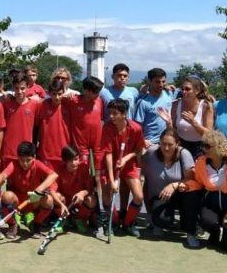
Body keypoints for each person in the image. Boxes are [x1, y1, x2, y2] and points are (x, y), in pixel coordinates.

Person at [0, 142, 58, 239]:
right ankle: (13, 224)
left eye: (28, 160)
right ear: (18, 157)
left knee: (48, 200)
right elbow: (2, 176)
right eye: (22, 160)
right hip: (17, 202)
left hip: (32, 201)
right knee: (6, 196)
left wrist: (39, 190)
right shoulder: (13, 164)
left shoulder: (38, 164)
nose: (25, 163)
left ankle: (36, 225)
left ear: (34, 157)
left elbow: (54, 175)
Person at [142, 129, 203, 247]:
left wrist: (174, 185)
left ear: (177, 144)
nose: (166, 148)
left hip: (182, 194)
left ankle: (190, 232)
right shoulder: (151, 153)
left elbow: (191, 181)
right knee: (161, 219)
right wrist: (149, 212)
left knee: (191, 196)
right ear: (159, 142)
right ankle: (162, 223)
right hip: (161, 196)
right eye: (163, 144)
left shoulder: (184, 154)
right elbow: (146, 182)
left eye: (170, 145)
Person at [100, 98, 146, 237]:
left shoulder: (136, 128)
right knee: (107, 191)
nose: (111, 116)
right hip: (110, 166)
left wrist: (126, 157)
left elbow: (138, 150)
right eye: (110, 113)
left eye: (115, 113)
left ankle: (128, 223)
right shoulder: (108, 127)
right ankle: (112, 221)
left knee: (138, 196)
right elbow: (107, 154)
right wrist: (113, 180)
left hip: (129, 165)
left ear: (124, 113)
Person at [185, 130, 227, 247]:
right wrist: (186, 185)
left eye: (207, 146)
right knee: (208, 222)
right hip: (210, 200)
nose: (204, 149)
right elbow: (198, 183)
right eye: (203, 146)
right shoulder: (201, 162)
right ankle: (215, 231)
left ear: (218, 146)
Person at [165, 76, 214, 158]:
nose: (184, 92)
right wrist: (168, 124)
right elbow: (172, 130)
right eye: (182, 89)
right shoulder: (176, 104)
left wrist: (193, 122)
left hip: (200, 148)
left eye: (187, 89)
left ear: (197, 91)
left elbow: (209, 134)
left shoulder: (206, 106)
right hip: (181, 145)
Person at [52, 146, 97, 234]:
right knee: (56, 196)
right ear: (65, 161)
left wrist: (82, 193)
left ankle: (79, 219)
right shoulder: (59, 169)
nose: (74, 163)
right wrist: (61, 205)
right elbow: (52, 191)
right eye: (70, 160)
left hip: (79, 202)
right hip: (65, 203)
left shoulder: (83, 168)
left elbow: (90, 189)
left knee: (92, 200)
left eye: (76, 159)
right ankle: (63, 219)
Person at [1, 72, 40, 167]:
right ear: (13, 88)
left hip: (26, 154)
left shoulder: (35, 105)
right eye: (16, 88)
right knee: (8, 181)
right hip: (8, 152)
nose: (19, 91)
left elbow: (38, 128)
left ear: (28, 87)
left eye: (22, 88)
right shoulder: (6, 104)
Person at [67, 76, 104, 173]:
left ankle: (97, 185)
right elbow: (56, 99)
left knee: (98, 167)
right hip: (80, 141)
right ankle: (83, 186)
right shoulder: (73, 101)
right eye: (96, 92)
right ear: (86, 90)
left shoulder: (100, 101)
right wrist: (68, 94)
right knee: (82, 167)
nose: (98, 94)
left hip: (97, 140)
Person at [36, 79, 72, 172]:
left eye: (59, 94)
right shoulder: (42, 105)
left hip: (64, 152)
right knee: (48, 184)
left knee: (63, 185)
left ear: (63, 92)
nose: (56, 97)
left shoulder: (69, 104)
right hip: (46, 153)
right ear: (49, 93)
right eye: (54, 94)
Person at [134, 68, 173, 146]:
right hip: (150, 143)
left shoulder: (169, 95)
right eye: (157, 82)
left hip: (166, 141)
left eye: (163, 81)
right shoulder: (143, 102)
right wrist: (142, 140)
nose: (161, 84)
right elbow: (137, 126)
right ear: (149, 81)